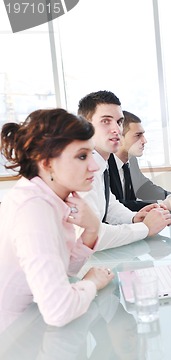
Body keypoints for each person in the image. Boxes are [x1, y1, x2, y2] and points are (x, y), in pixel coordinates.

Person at [0, 108, 114, 332]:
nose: (95, 166)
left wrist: (92, 229)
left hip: (32, 323)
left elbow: (64, 271)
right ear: (46, 163)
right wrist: (91, 283)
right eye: (82, 156)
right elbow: (59, 310)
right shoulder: (33, 209)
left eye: (91, 154)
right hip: (13, 338)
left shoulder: (48, 196)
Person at [77, 91, 171, 251]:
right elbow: (91, 236)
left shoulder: (100, 162)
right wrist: (145, 228)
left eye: (119, 122)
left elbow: (109, 204)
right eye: (106, 121)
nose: (116, 129)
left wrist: (134, 217)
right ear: (85, 125)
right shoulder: (81, 169)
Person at [108, 110, 171, 212]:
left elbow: (144, 187)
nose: (144, 141)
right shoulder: (104, 165)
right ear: (119, 137)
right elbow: (115, 206)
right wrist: (162, 205)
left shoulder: (131, 160)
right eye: (138, 135)